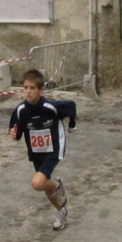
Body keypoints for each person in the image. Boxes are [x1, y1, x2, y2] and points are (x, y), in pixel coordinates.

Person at [9, 70, 76, 231]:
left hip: (53, 149)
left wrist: (72, 124)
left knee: (37, 183)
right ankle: (62, 211)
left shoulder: (51, 107)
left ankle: (57, 185)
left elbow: (71, 106)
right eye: (25, 88)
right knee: (45, 186)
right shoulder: (20, 110)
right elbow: (16, 132)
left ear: (41, 90)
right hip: (36, 152)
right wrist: (14, 134)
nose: (28, 92)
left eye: (32, 88)